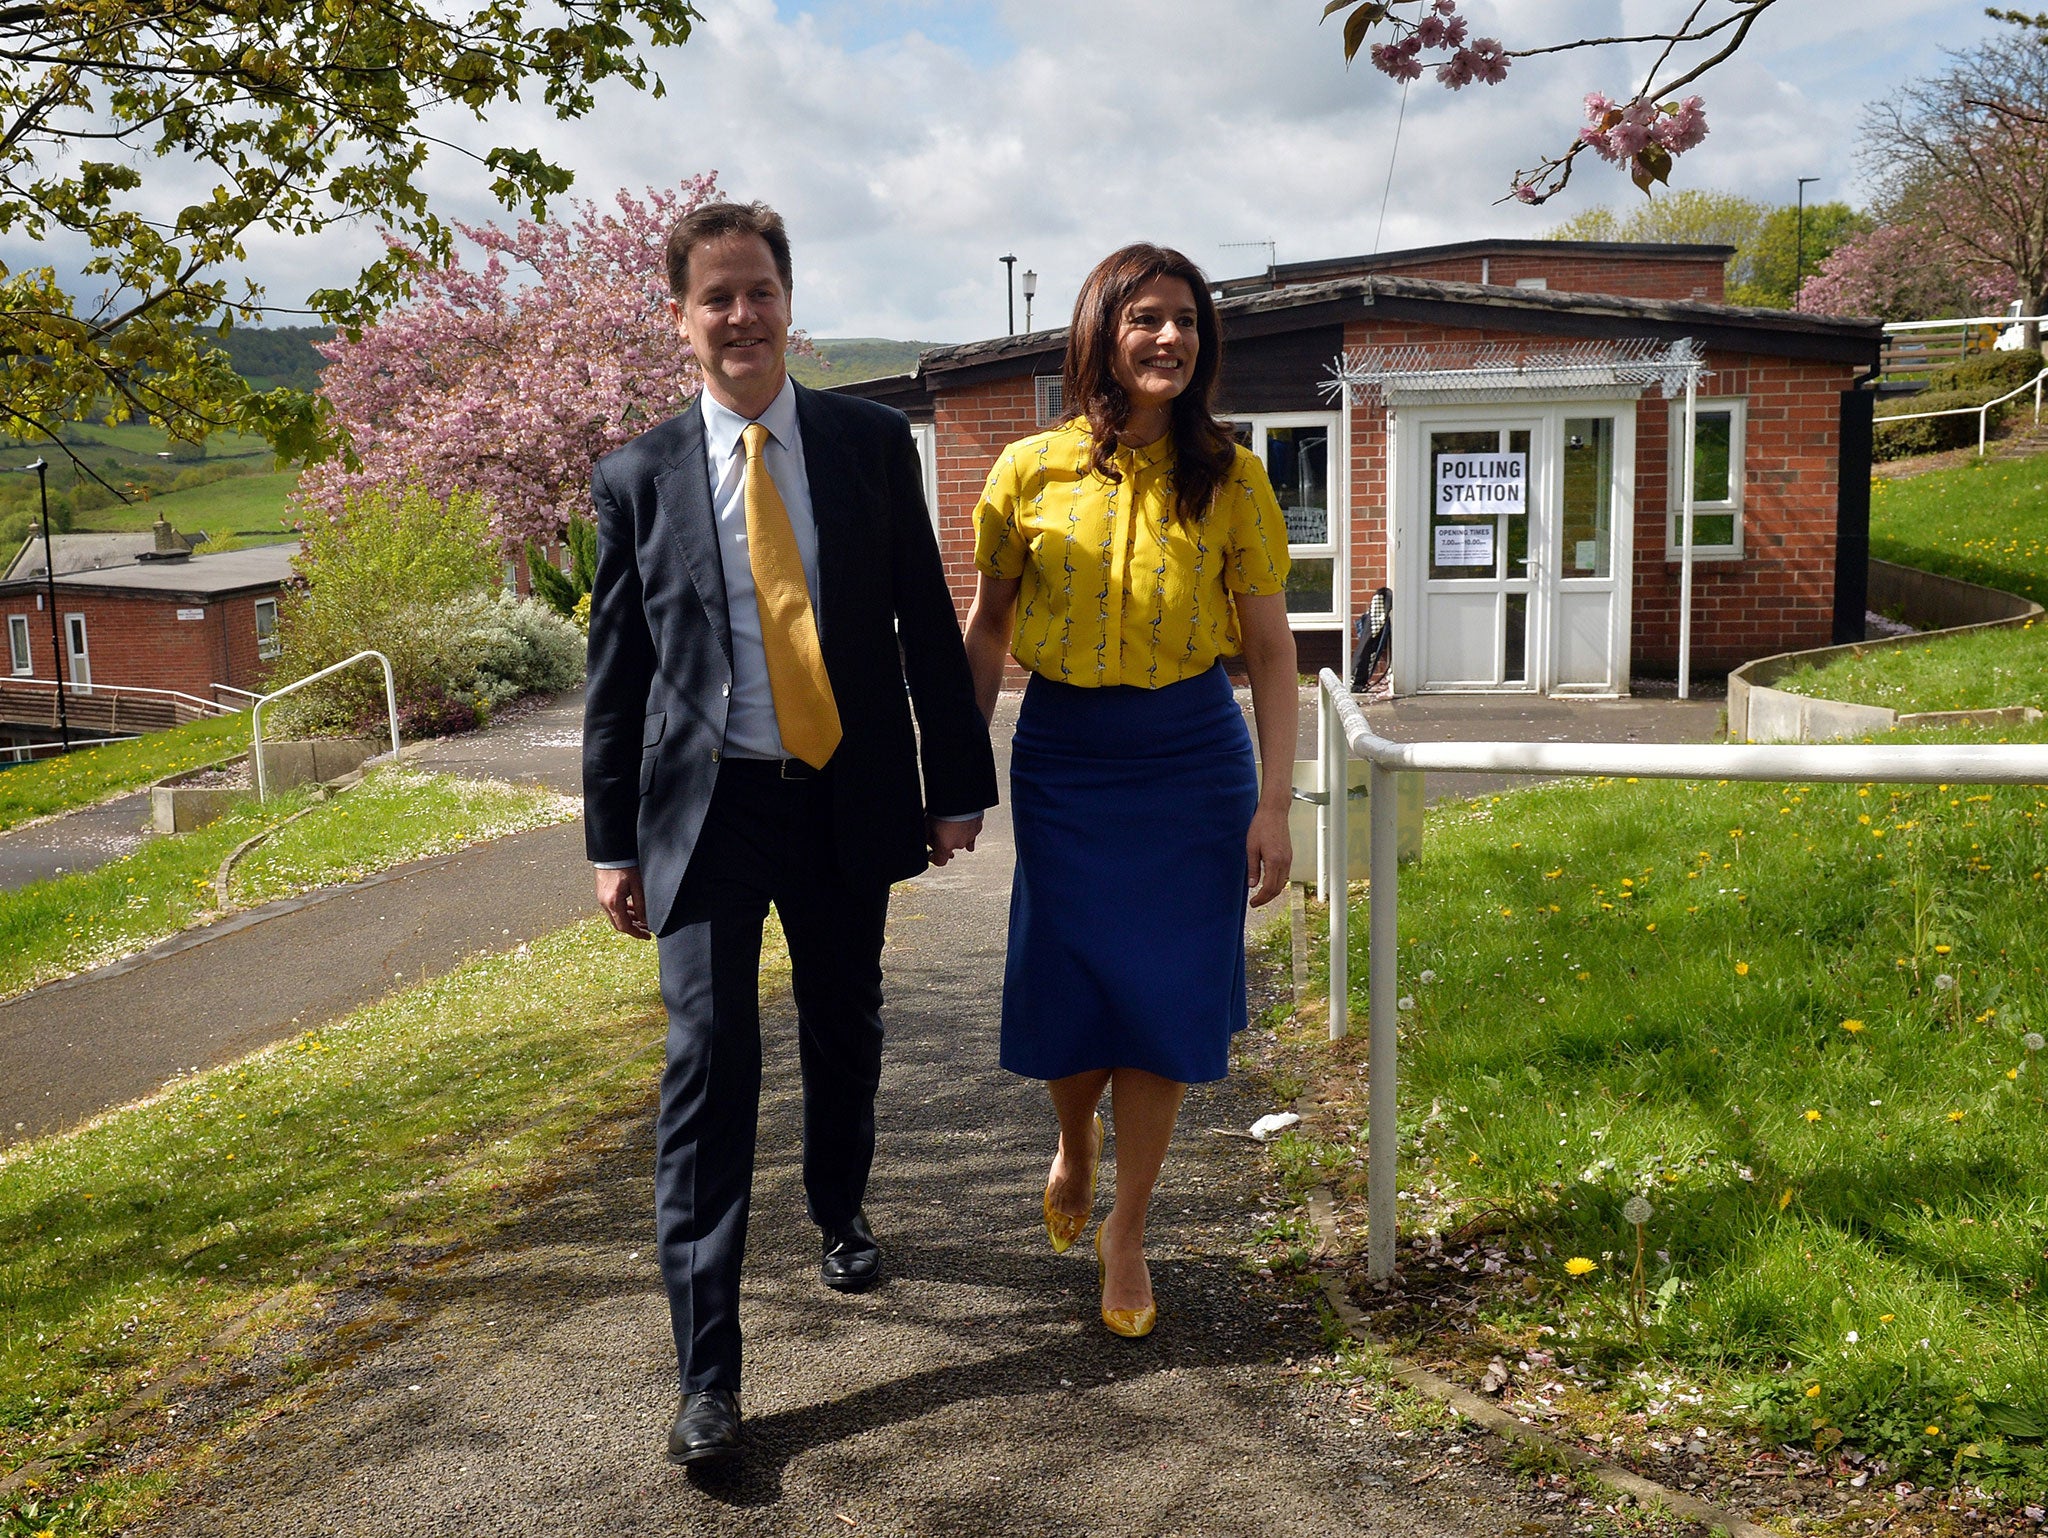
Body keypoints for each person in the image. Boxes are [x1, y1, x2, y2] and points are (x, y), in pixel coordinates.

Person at [582, 199, 998, 1465]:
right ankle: (707, 1380)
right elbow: (617, 673)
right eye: (715, 295)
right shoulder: (638, 475)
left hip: (842, 786)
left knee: (844, 1020)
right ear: (680, 318)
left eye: (758, 290)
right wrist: (610, 842)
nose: (741, 315)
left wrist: (955, 779)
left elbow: (924, 624)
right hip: (704, 812)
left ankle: (838, 1205)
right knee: (708, 1069)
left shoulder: (871, 445)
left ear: (787, 301)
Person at [961, 244, 1298, 1340]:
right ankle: (1073, 1141)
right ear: (1101, 332)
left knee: (1162, 997)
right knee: (1070, 981)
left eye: (1187, 321)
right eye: (1146, 318)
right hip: (1065, 755)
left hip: (1190, 756)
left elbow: (1269, 649)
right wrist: (958, 770)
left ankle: (1129, 1229)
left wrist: (1274, 801)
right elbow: (990, 626)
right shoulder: (1027, 471)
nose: (1170, 338)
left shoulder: (1233, 476)